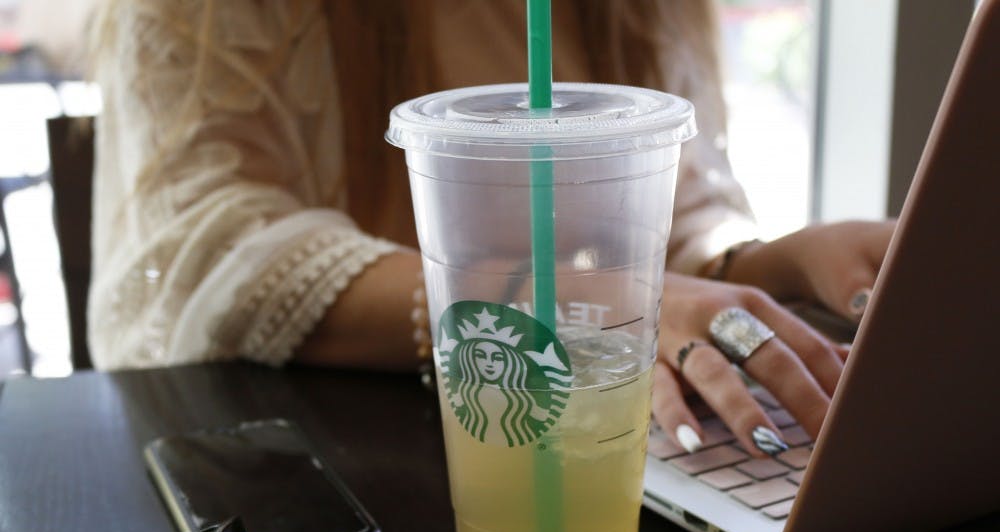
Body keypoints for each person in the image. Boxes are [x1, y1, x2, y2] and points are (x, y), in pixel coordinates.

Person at [87, 0, 893, 458]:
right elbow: (200, 252)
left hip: (591, 454)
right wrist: (526, 298)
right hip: (335, 469)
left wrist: (761, 262)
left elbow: (649, 217)